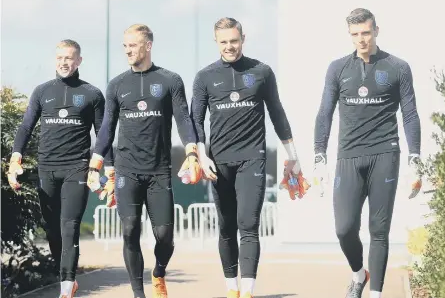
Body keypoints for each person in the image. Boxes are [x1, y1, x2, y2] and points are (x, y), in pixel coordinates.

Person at [190, 17, 309, 298]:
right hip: (218, 163)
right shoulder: (205, 76)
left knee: (248, 223)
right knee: (227, 226)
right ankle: (232, 288)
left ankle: (248, 290)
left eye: (234, 40)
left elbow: (277, 114)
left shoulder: (261, 72)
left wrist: (293, 157)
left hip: (252, 158)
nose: (229, 46)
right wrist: (201, 154)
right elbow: (195, 119)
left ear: (243, 38)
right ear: (216, 42)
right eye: (224, 42)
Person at [313, 8, 422, 298]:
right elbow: (325, 112)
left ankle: (375, 293)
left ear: (376, 30)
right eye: (355, 34)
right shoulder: (337, 69)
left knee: (379, 230)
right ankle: (359, 274)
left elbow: (410, 115)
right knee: (344, 228)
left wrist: (415, 158)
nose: (361, 39)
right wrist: (319, 156)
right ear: (349, 35)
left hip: (385, 154)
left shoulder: (398, 67)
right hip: (348, 156)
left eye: (366, 32)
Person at [86, 24, 201, 298]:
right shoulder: (116, 85)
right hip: (127, 170)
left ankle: (159, 271)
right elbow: (106, 129)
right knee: (129, 230)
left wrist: (192, 152)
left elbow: (183, 119)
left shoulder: (170, 80)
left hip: (159, 170)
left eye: (133, 45)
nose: (127, 50)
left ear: (148, 45)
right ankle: (139, 294)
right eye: (125, 45)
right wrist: (95, 164)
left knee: (165, 236)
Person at [7, 39, 114, 298]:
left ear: (79, 61)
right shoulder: (42, 91)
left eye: (69, 58)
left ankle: (67, 285)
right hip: (47, 168)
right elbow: (25, 126)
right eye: (60, 58)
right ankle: (64, 274)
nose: (64, 63)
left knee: (70, 226)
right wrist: (15, 157)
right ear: (54, 60)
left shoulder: (92, 94)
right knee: (52, 228)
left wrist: (109, 170)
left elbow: (103, 135)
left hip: (77, 168)